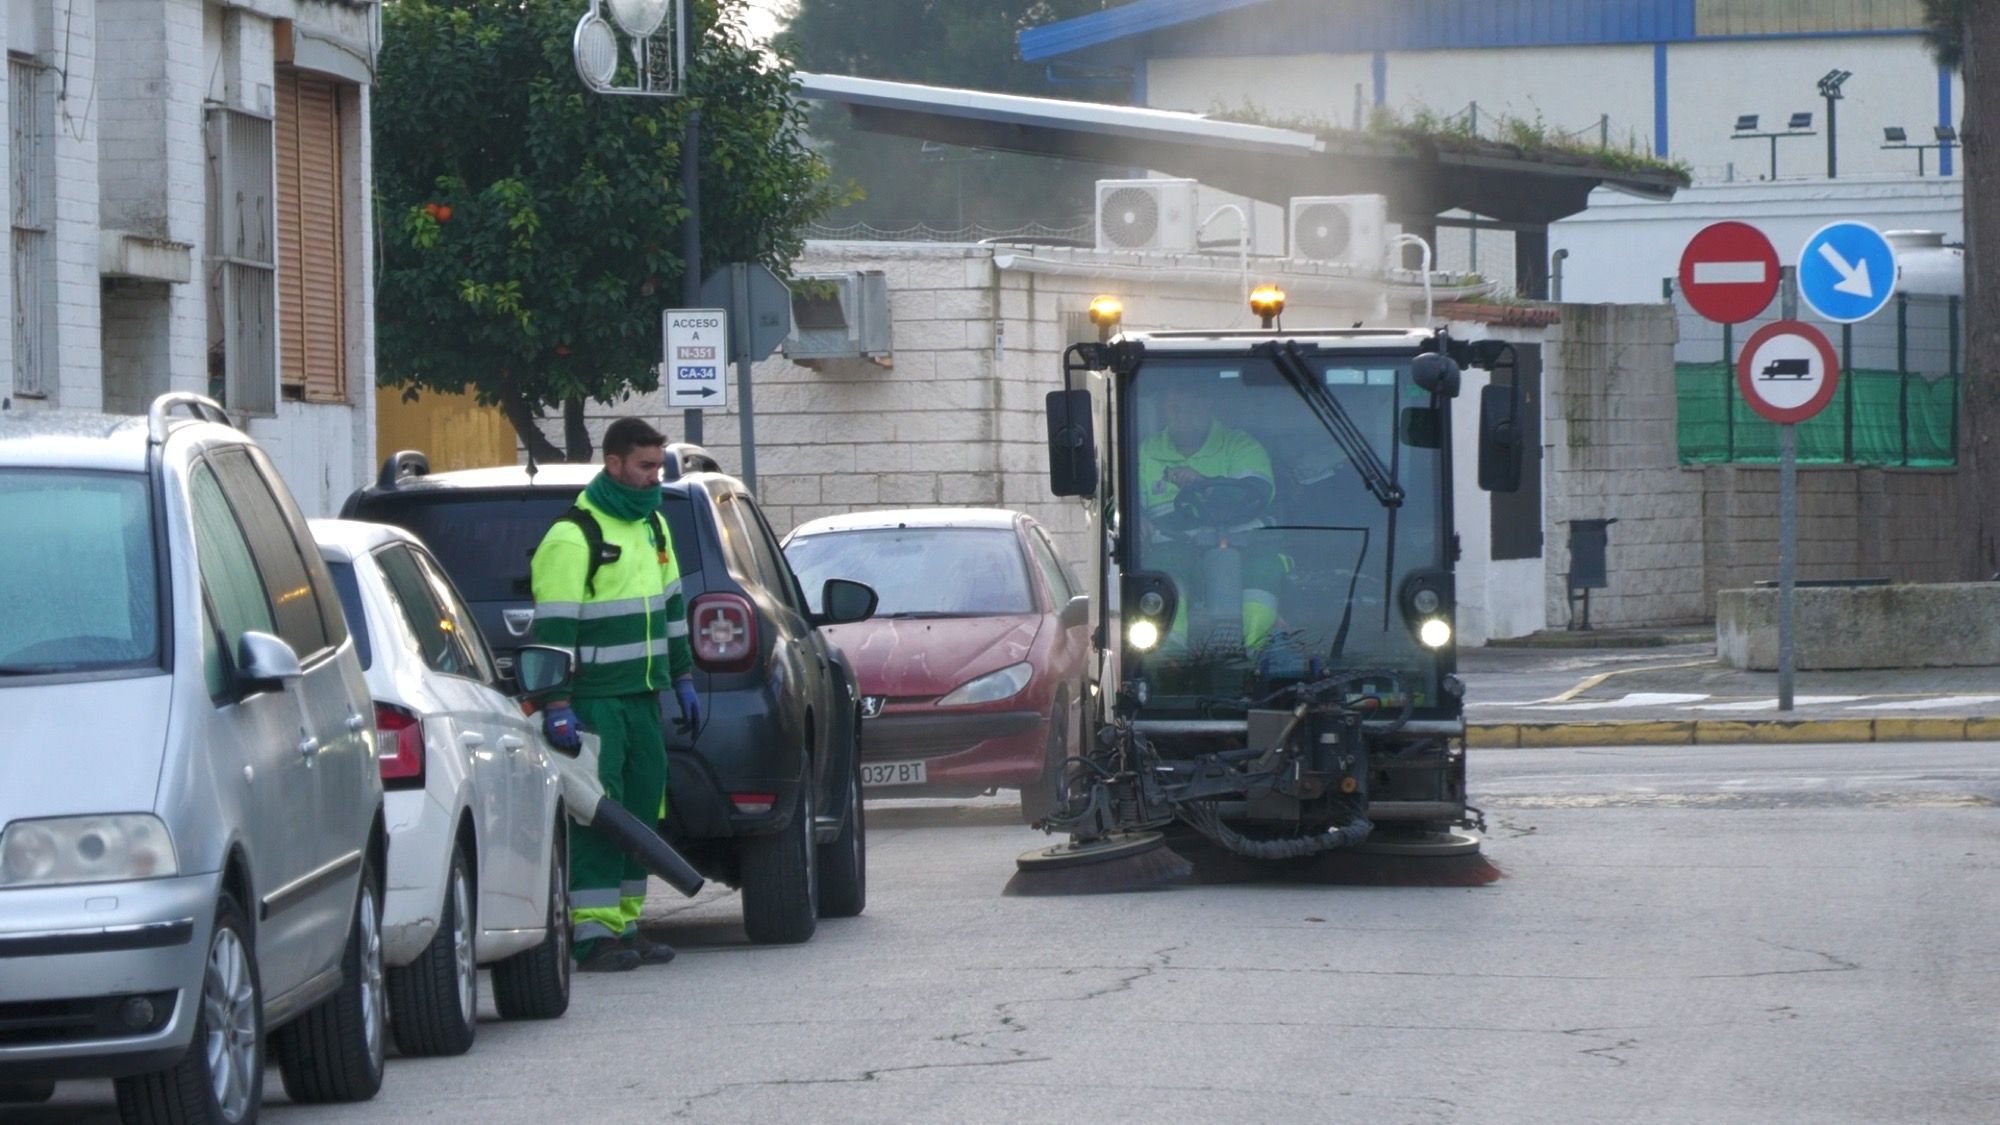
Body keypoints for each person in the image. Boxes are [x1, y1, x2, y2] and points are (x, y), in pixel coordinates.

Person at [530, 417, 699, 973]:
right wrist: (556, 703)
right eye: (646, 466)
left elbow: (672, 611)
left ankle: (626, 923)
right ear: (614, 465)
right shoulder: (574, 536)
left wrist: (683, 677)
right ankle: (593, 935)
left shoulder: (653, 527)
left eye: (660, 466)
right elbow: (555, 629)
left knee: (641, 812)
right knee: (599, 818)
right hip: (595, 702)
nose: (656, 477)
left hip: (642, 697)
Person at [1135, 380, 1283, 652]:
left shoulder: (1240, 445)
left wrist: (1205, 484)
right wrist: (1135, 518)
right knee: (1161, 585)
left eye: (1192, 407)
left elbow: (1258, 492)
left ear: (1209, 407)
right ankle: (1168, 662)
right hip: (1172, 549)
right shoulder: (1145, 452)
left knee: (1266, 576)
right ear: (1164, 411)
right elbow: (1115, 502)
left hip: (1248, 547)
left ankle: (1251, 660)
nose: (1183, 415)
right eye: (1175, 408)